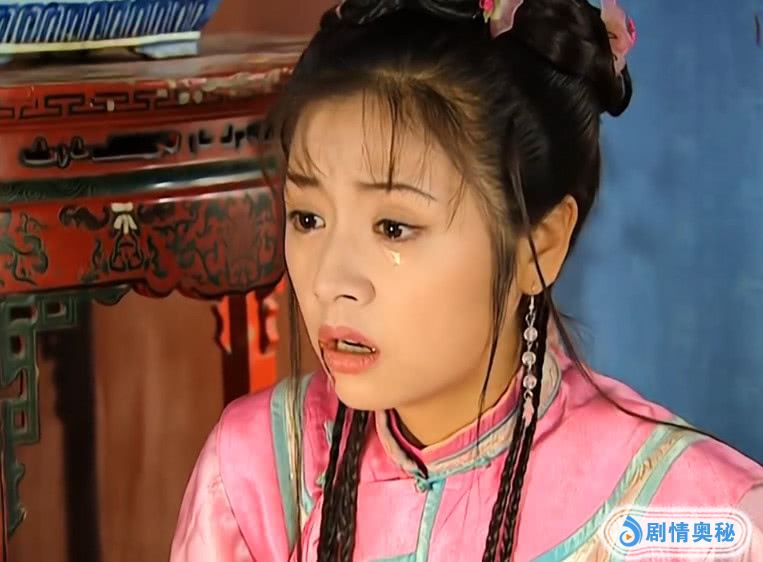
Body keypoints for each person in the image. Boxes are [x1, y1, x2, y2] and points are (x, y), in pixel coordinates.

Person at [169, 0, 763, 560]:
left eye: (393, 227)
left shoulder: (696, 513)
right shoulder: (255, 473)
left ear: (540, 245)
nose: (330, 280)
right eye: (308, 218)